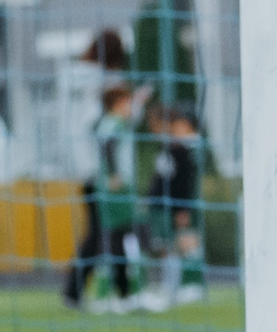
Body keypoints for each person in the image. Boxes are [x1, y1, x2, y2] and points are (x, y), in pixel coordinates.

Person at [64, 84, 145, 312]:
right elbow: (107, 145)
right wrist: (114, 174)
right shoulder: (110, 123)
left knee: (109, 237)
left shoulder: (117, 122)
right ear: (119, 103)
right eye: (128, 102)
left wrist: (139, 100)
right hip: (109, 191)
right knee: (111, 237)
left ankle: (118, 293)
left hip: (108, 189)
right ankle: (121, 294)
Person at [144, 101, 206, 309]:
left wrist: (182, 208)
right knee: (167, 246)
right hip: (161, 204)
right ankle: (172, 287)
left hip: (173, 205)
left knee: (180, 245)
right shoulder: (170, 146)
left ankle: (184, 286)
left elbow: (184, 181)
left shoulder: (185, 149)